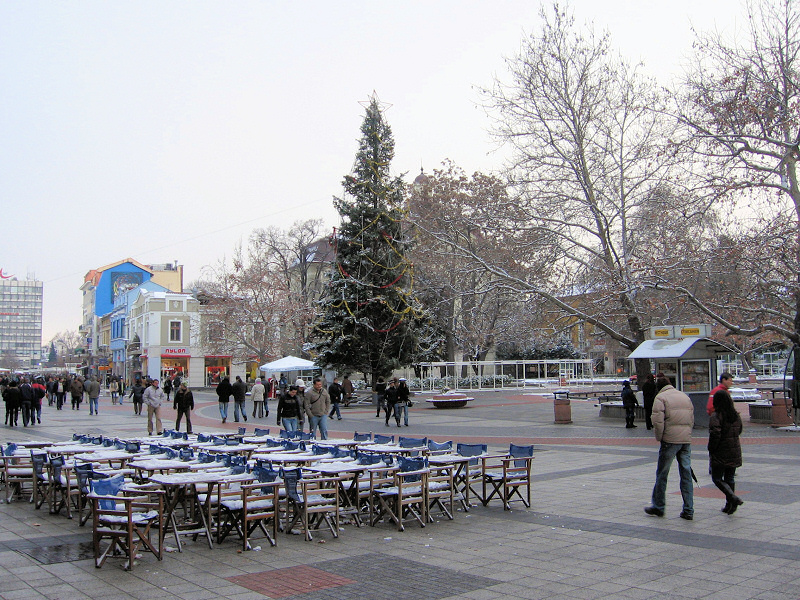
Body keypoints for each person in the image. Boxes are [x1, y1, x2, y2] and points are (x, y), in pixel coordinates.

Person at [644, 373, 695, 520]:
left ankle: (659, 506)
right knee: (686, 474)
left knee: (662, 474)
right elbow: (691, 419)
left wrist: (660, 437)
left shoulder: (660, 398)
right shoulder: (684, 396)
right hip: (685, 440)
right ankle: (688, 509)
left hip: (670, 440)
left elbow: (658, 422)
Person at [709, 389, 744, 514]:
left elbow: (715, 434)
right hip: (734, 450)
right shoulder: (735, 415)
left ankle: (733, 498)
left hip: (721, 451)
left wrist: (711, 448)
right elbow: (739, 430)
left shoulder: (716, 416)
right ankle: (730, 505)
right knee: (729, 478)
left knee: (717, 478)